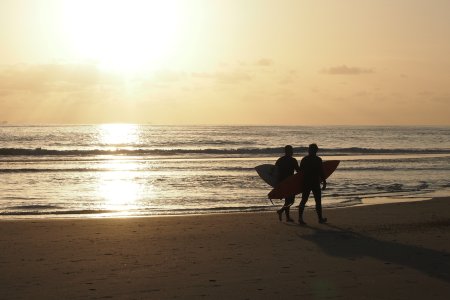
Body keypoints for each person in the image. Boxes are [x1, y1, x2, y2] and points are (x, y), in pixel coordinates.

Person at [298, 143, 327, 225]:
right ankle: (320, 219)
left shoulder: (304, 159)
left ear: (310, 150)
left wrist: (299, 184)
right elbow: (321, 172)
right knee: (317, 201)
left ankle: (300, 218)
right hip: (314, 182)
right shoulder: (318, 159)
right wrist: (324, 182)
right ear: (316, 150)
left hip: (307, 182)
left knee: (304, 200)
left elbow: (300, 172)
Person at [275, 145, 300, 222]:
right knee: (291, 201)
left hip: (282, 182)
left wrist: (277, 184)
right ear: (289, 151)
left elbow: (275, 172)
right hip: (290, 182)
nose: (292, 152)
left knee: (287, 200)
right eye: (291, 151)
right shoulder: (293, 160)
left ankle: (286, 216)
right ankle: (282, 212)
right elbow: (298, 171)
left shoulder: (280, 160)